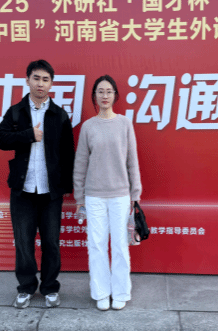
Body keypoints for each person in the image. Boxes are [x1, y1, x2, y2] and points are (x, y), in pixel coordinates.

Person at [0, 59, 75, 309]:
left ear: (51, 84)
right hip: (23, 191)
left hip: (50, 193)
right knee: (23, 242)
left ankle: (50, 287)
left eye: (45, 79)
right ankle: (26, 287)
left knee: (51, 242)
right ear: (27, 80)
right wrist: (28, 135)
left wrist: (66, 188)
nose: (41, 83)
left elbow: (68, 154)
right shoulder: (16, 112)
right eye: (36, 78)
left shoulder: (59, 115)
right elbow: (1, 139)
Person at [73, 75, 142, 311]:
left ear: (115, 95)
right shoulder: (88, 127)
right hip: (94, 196)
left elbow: (132, 160)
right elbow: (80, 163)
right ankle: (101, 292)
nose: (104, 96)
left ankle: (121, 291)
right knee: (97, 245)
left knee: (120, 245)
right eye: (100, 91)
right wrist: (79, 197)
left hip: (120, 195)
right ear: (94, 96)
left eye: (109, 91)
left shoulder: (124, 124)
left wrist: (135, 194)